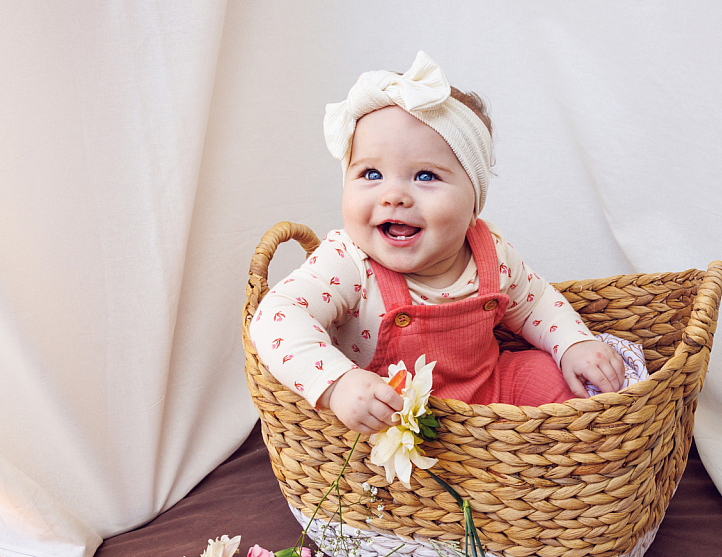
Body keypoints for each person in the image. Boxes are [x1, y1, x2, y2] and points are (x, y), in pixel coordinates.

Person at [250, 52, 626, 435]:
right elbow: (276, 317)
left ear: (473, 204)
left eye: (426, 175)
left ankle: (556, 464)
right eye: (372, 173)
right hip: (390, 417)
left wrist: (573, 344)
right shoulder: (348, 263)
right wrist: (338, 383)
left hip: (490, 393)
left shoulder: (490, 253)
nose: (393, 195)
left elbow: (536, 305)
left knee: (553, 377)